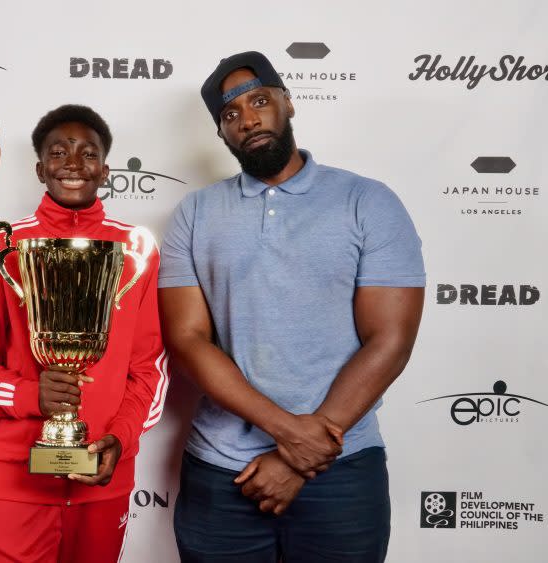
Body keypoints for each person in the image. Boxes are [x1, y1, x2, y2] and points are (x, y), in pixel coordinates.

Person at [159, 51, 425, 562]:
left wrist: (300, 458)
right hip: (221, 468)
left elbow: (390, 338)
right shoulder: (195, 213)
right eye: (230, 114)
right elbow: (187, 339)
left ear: (289, 103)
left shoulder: (367, 201)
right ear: (221, 134)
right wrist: (290, 436)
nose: (248, 119)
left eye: (259, 101)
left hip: (341, 467)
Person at [0, 104, 168, 563]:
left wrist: (120, 438)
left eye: (87, 153)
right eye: (58, 152)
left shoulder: (136, 253)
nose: (72, 163)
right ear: (40, 168)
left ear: (105, 170)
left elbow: (150, 370)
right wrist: (31, 395)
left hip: (104, 474)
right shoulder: (4, 249)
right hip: (20, 478)